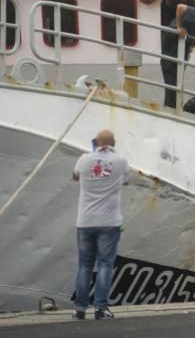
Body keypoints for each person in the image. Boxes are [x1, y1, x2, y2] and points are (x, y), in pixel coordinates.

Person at [72, 130, 128, 320]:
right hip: (109, 222)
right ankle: (100, 308)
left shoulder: (84, 159)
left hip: (85, 221)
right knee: (105, 265)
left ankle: (79, 309)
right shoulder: (121, 161)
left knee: (84, 266)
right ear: (113, 143)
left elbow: (75, 176)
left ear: (95, 142)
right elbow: (124, 177)